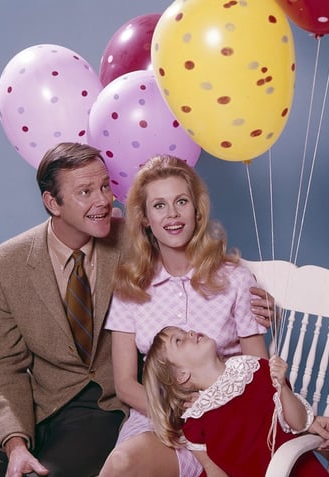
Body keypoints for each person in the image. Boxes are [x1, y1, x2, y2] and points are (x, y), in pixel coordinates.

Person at [0, 144, 277, 477]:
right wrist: (16, 443)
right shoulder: (7, 265)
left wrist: (270, 307)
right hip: (41, 400)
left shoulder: (209, 268)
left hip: (103, 409)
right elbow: (3, 366)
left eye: (104, 187)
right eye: (85, 192)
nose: (103, 201)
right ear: (52, 203)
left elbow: (258, 369)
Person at [100, 155, 272, 477]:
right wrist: (174, 415)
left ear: (197, 210)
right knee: (124, 462)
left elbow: (259, 372)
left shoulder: (235, 279)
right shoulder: (130, 287)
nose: (173, 214)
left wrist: (208, 413)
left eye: (181, 201)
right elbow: (124, 384)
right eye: (160, 205)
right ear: (146, 218)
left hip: (225, 424)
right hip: (156, 418)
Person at [143, 326, 329, 477]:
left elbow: (297, 423)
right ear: (181, 375)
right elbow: (213, 470)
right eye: (179, 340)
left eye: (185, 331)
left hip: (291, 468)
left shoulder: (255, 368)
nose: (191, 333)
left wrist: (282, 386)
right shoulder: (195, 420)